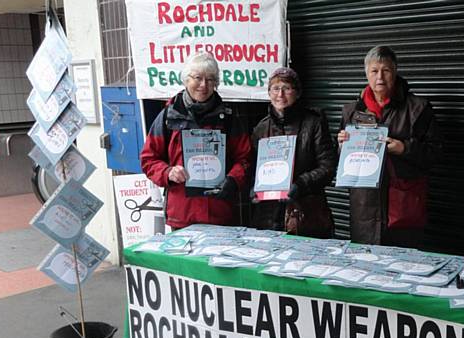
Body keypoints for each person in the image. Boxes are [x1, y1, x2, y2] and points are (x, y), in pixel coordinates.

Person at [338, 45, 442, 247]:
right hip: (364, 207)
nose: (380, 77)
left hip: (403, 204)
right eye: (374, 71)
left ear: (395, 72)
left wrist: (404, 148)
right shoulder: (351, 111)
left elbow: (435, 152)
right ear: (366, 74)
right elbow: (340, 161)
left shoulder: (418, 108)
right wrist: (342, 146)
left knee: (405, 264)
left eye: (385, 70)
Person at [140, 54, 252, 230]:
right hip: (182, 214)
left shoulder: (228, 118)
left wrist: (233, 179)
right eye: (197, 78)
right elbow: (148, 159)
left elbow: (245, 159)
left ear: (216, 83)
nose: (203, 85)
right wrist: (168, 172)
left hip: (219, 212)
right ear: (186, 80)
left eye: (210, 79)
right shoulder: (168, 116)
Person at [251, 67, 336, 237]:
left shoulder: (314, 123)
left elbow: (328, 166)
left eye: (287, 88)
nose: (280, 94)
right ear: (268, 93)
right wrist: (254, 188)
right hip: (270, 217)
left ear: (297, 93)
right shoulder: (261, 128)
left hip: (307, 215)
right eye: (275, 88)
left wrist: (301, 184)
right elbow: (253, 168)